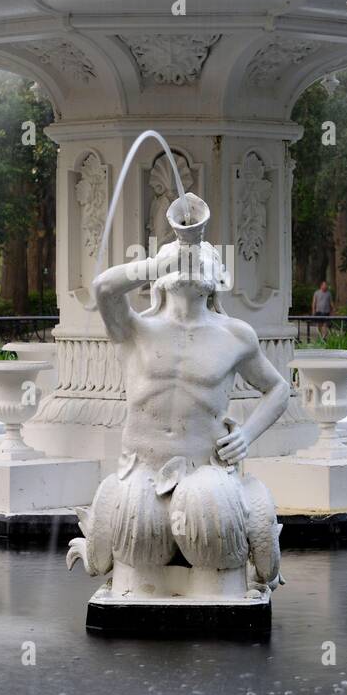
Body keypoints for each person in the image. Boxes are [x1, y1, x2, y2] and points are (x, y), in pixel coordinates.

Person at [66, 192, 287, 595]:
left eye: (201, 257)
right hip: (142, 470)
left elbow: (277, 389)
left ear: (217, 277)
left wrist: (247, 435)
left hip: (206, 472)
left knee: (211, 524)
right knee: (139, 537)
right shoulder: (135, 330)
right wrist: (151, 264)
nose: (190, 261)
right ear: (162, 278)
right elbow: (102, 288)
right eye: (181, 257)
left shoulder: (235, 335)